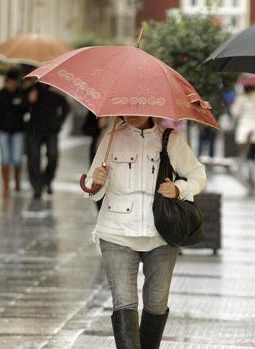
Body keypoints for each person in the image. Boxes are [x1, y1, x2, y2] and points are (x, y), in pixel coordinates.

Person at [85, 116, 206, 349]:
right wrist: (96, 181)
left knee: (156, 303)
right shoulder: (111, 139)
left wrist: (179, 188)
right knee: (124, 302)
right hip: (116, 232)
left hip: (161, 234)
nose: (133, 111)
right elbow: (92, 189)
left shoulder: (171, 139)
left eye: (139, 106)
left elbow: (198, 177)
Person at [25, 84, 70, 199]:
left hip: (51, 131)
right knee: (34, 158)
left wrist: (59, 123)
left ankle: (47, 180)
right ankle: (37, 186)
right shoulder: (32, 90)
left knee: (53, 156)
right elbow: (23, 108)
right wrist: (30, 101)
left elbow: (66, 108)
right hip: (34, 130)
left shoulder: (55, 89)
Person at [0, 69, 27, 197]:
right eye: (10, 82)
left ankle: (17, 181)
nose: (13, 84)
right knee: (5, 157)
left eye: (14, 82)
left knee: (17, 158)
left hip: (18, 131)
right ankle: (5, 185)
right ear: (6, 82)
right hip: (3, 131)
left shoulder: (21, 94)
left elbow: (26, 109)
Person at [230, 85, 255, 194]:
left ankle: (251, 177)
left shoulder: (241, 98)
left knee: (247, 157)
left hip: (244, 130)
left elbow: (234, 113)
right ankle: (254, 177)